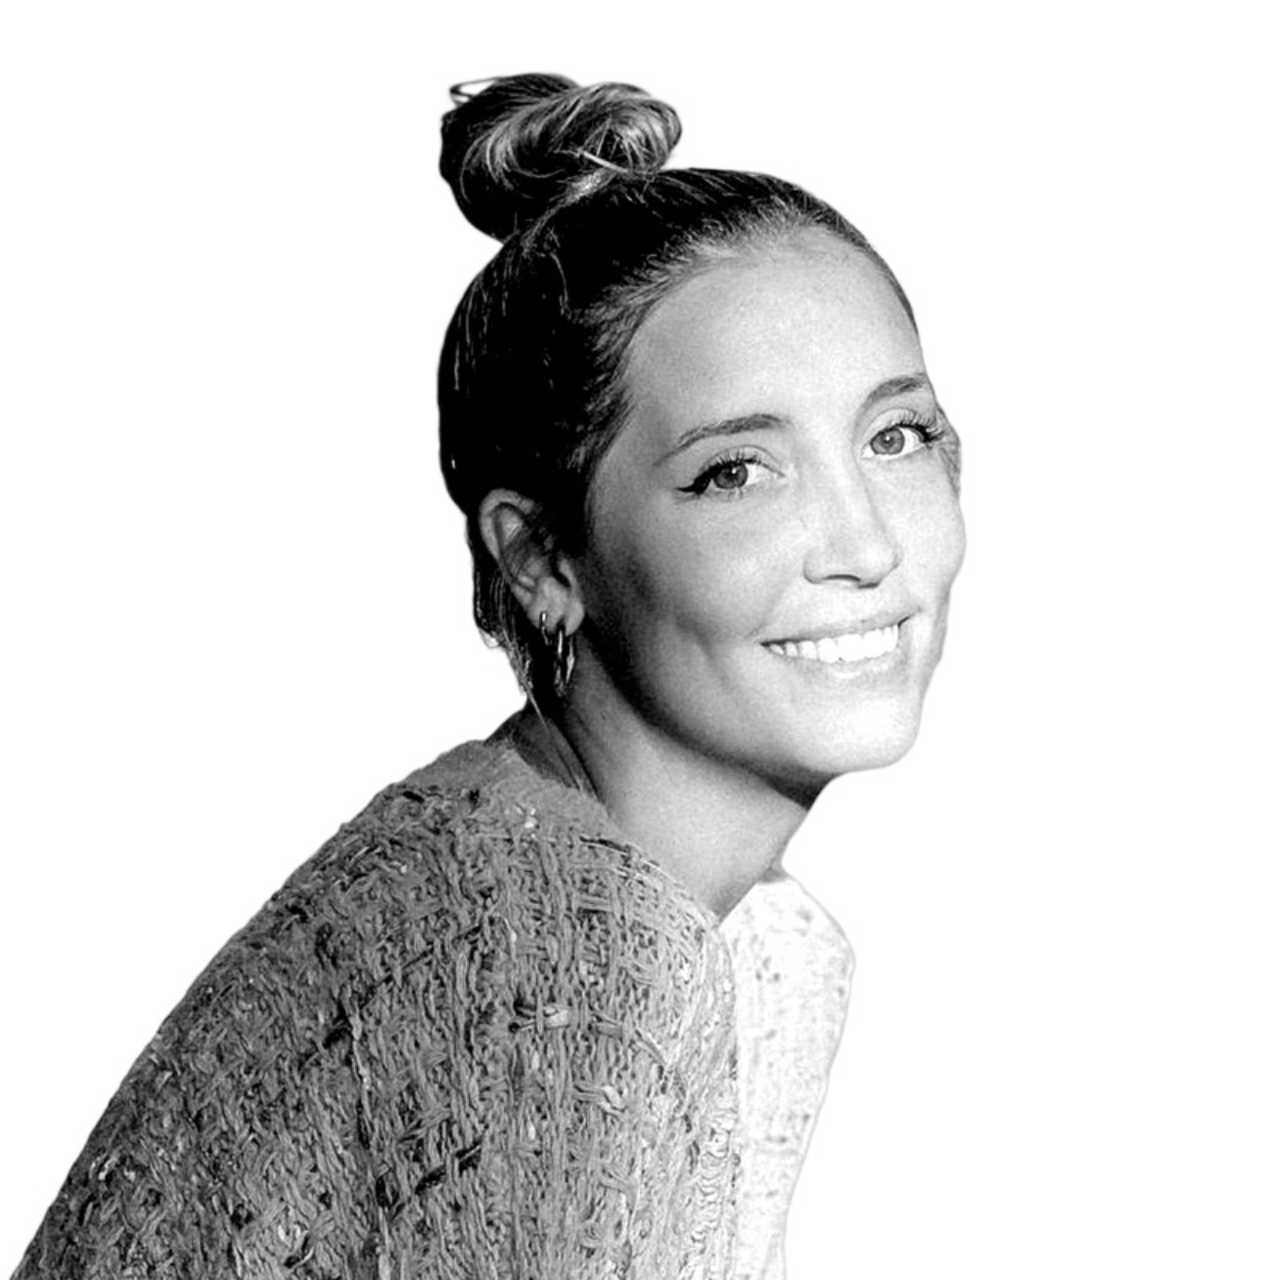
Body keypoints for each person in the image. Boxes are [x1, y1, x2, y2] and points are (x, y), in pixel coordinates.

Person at [13, 72, 964, 1279]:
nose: (866, 545)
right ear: (540, 558)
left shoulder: (765, 945)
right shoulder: (564, 960)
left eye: (895, 437)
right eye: (734, 471)